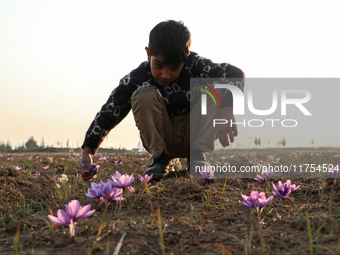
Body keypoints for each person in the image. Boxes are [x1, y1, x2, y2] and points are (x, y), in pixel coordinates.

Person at [79, 20, 244, 181]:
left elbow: (234, 73)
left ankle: (197, 156)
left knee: (212, 88)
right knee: (142, 94)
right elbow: (110, 111)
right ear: (148, 53)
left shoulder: (195, 65)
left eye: (174, 68)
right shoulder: (137, 77)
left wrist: (227, 110)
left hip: (193, 134)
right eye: (158, 65)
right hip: (162, 139)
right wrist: (88, 150)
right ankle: (160, 159)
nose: (166, 74)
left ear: (185, 58)